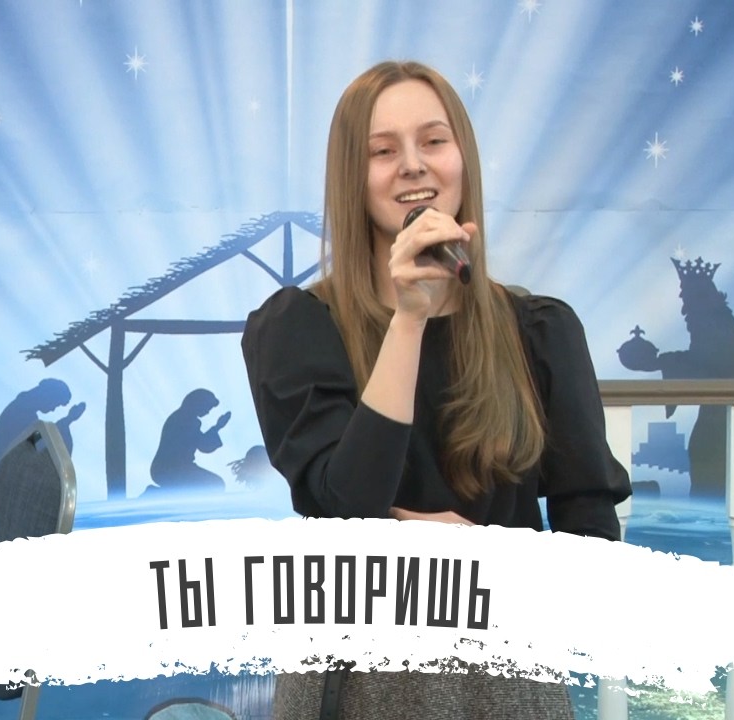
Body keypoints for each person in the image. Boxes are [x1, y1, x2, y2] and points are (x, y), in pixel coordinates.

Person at [241, 61, 631, 720]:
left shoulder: (540, 330)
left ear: (462, 159)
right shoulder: (296, 326)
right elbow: (346, 503)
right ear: (351, 176)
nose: (413, 166)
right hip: (357, 680)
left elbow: (589, 542)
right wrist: (410, 318)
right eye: (383, 151)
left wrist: (487, 563)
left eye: (433, 141)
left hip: (503, 677)